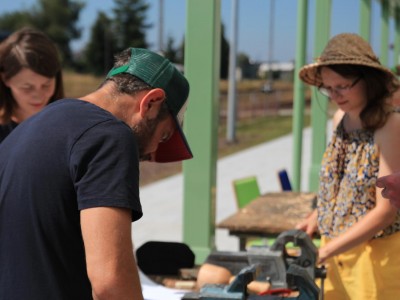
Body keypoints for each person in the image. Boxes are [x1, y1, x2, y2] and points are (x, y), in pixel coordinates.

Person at [0, 47, 193, 299]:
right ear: (151, 102)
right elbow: (111, 282)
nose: (154, 151)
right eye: (164, 135)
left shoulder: (28, 129)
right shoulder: (109, 136)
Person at [295, 33, 400, 299]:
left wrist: (326, 251)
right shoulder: (340, 119)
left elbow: (385, 212)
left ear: (368, 81)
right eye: (328, 88)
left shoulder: (390, 126)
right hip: (337, 254)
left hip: (373, 258)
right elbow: (341, 187)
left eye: (342, 86)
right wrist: (318, 216)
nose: (334, 95)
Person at [0, 27, 64, 142]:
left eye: (46, 85)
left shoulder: (67, 127)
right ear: (5, 78)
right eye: (27, 87)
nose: (39, 95)